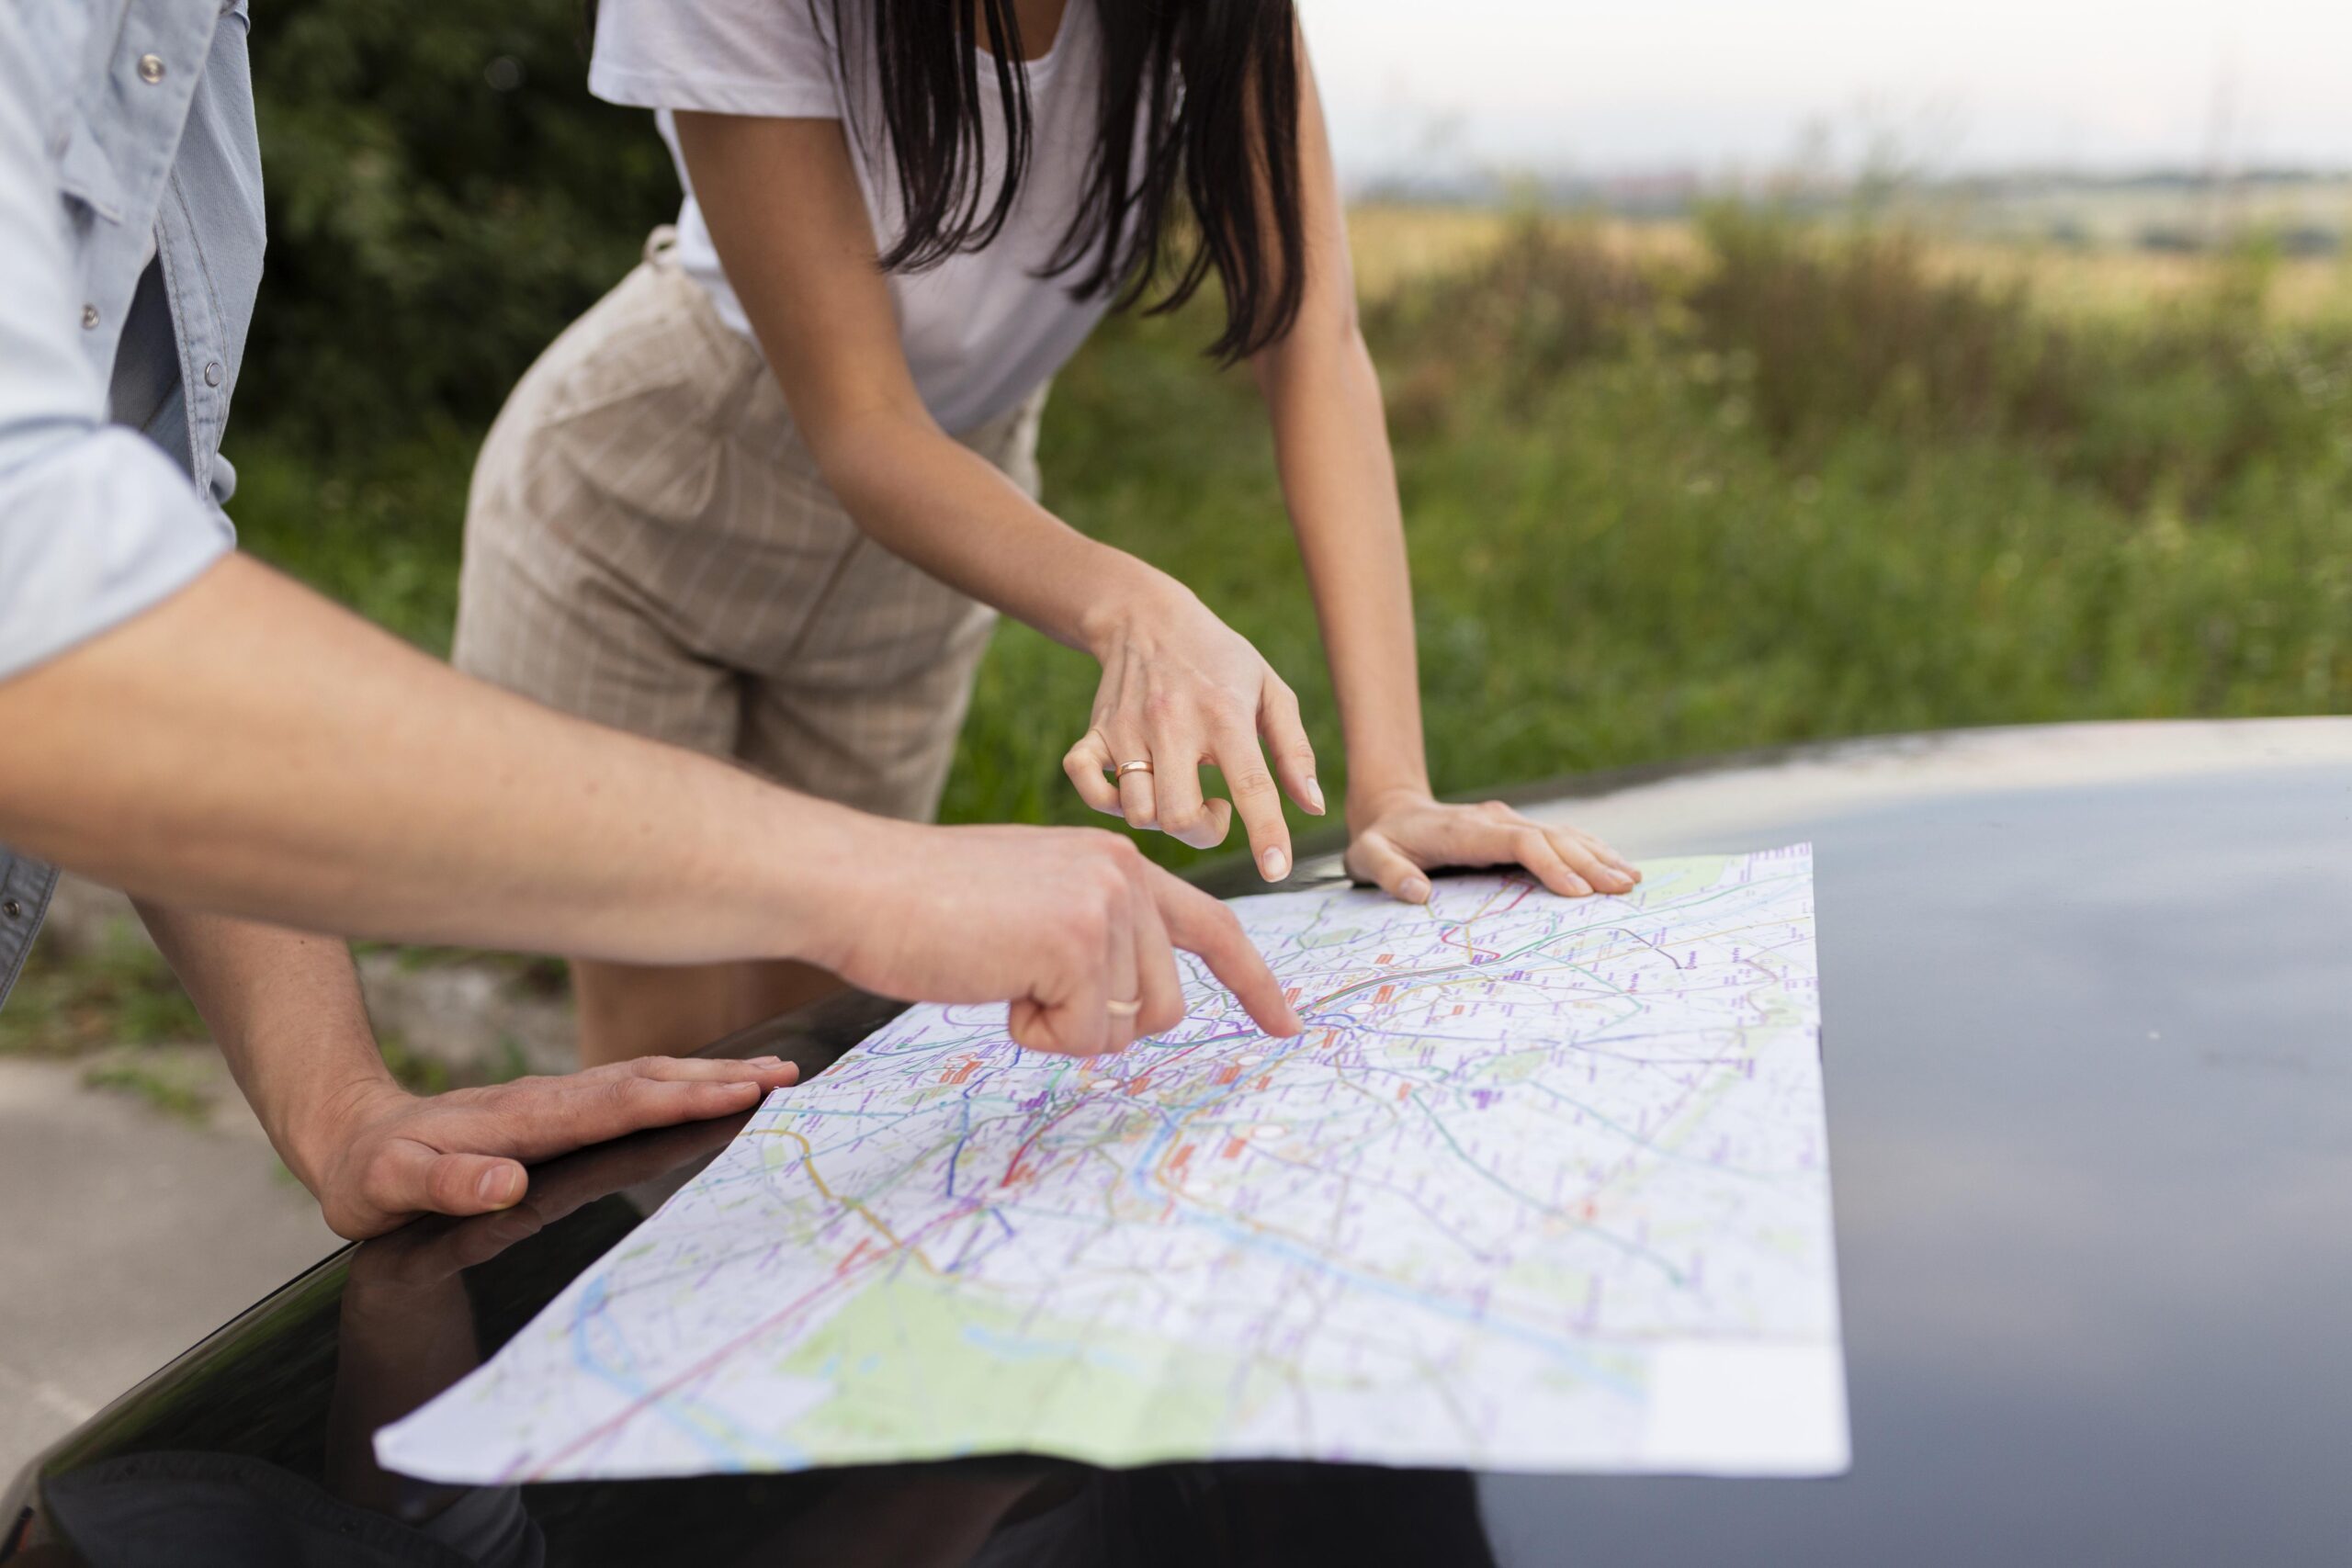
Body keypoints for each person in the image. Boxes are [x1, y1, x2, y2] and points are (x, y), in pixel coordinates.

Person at [0, 0, 1301, 1242]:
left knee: (792, 1124)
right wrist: (873, 879)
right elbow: (52, 602)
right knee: (694, 1143)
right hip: (639, 517)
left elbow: (139, 529)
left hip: (894, 581)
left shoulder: (186, 46)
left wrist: (337, 1100)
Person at [458, 0, 1641, 1065]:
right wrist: (1137, 606)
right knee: (670, 1044)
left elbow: (1312, 341)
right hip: (647, 511)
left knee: (808, 1032)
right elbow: (862, 424)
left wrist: (1395, 790)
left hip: (940, 534)